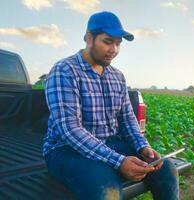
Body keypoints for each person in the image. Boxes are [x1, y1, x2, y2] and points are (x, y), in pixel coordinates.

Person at [43, 11, 179, 200]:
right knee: (107, 190)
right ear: (89, 38)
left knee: (166, 170)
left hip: (111, 143)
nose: (114, 49)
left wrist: (143, 148)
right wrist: (119, 161)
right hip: (65, 150)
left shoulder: (117, 76)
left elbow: (127, 118)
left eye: (118, 43)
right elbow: (69, 129)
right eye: (108, 41)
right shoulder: (64, 70)